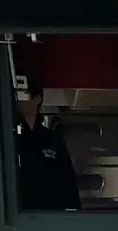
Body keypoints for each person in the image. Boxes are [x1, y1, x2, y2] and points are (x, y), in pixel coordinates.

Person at [15, 78, 82, 211]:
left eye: (22, 94)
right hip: (22, 217)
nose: (18, 101)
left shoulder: (52, 139)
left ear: (37, 99)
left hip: (49, 217)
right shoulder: (11, 139)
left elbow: (68, 182)